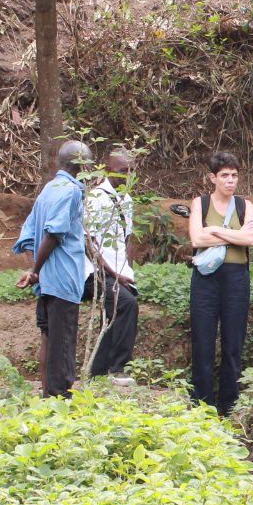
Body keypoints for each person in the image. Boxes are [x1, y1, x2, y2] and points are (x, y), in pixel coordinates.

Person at [14, 140, 90, 397]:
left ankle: (47, 395)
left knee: (49, 337)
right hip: (64, 278)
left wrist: (36, 271)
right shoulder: (71, 191)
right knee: (64, 341)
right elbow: (54, 234)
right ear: (84, 166)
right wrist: (36, 270)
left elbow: (27, 236)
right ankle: (60, 400)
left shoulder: (48, 189)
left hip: (47, 280)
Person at [188, 151, 253, 414]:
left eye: (234, 175)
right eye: (225, 176)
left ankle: (229, 405)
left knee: (233, 342)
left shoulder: (244, 205)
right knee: (203, 341)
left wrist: (215, 231)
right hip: (206, 279)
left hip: (236, 279)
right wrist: (234, 235)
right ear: (212, 178)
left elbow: (250, 239)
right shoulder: (200, 204)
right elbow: (196, 239)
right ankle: (202, 403)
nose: (230, 181)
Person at [83, 147, 139, 387]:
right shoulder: (96, 198)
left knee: (114, 312)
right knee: (126, 304)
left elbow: (127, 239)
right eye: (121, 171)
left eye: (129, 171)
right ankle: (117, 368)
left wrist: (127, 270)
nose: (126, 176)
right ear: (107, 171)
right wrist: (113, 274)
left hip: (119, 272)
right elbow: (89, 242)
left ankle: (98, 371)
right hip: (95, 271)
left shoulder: (126, 200)